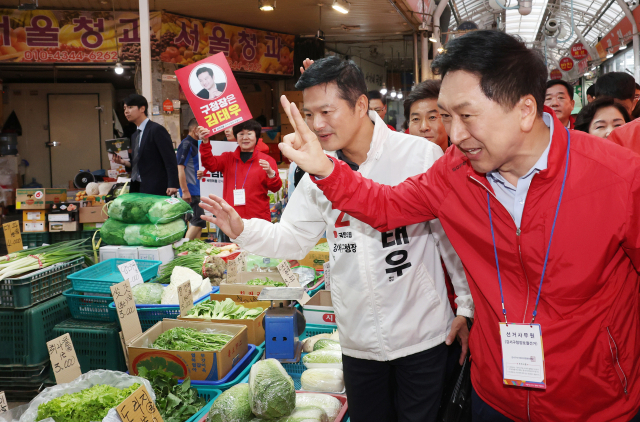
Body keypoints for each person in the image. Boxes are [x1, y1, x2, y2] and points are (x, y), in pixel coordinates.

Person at [277, 30, 640, 422]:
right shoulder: (454, 172)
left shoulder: (618, 178)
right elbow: (384, 205)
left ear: (524, 110)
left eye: (466, 116)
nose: (456, 134)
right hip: (494, 398)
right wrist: (326, 169)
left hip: (595, 404)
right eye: (448, 117)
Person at [200, 56, 473, 422]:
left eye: (326, 111)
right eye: (310, 115)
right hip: (358, 342)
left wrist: (465, 307)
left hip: (422, 337)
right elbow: (293, 239)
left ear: (360, 105)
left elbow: (448, 239)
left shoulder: (419, 155)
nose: (317, 124)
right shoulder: (317, 170)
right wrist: (241, 228)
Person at [199, 118, 281, 225]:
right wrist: (205, 142)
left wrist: (271, 174)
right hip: (232, 218)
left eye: (249, 134)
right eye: (241, 134)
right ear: (236, 137)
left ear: (256, 137)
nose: (245, 137)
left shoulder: (267, 161)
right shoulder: (228, 158)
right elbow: (210, 164)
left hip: (258, 219)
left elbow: (276, 188)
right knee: (233, 242)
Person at [115, 94, 179, 196]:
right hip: (138, 187)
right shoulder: (135, 135)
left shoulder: (156, 130)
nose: (126, 111)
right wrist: (124, 162)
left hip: (156, 187)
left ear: (142, 108)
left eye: (130, 107)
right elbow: (139, 162)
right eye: (125, 108)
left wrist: (172, 184)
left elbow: (170, 159)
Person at [177, 118, 206, 240]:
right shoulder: (186, 144)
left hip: (198, 190)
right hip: (191, 191)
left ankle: (194, 251)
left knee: (197, 222)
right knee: (198, 221)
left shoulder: (198, 144)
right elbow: (180, 168)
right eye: (202, 130)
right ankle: (183, 248)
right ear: (195, 129)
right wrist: (185, 191)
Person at [404, 80, 450, 152]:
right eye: (416, 119)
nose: (424, 127)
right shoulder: (399, 162)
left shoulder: (467, 161)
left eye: (432, 117)